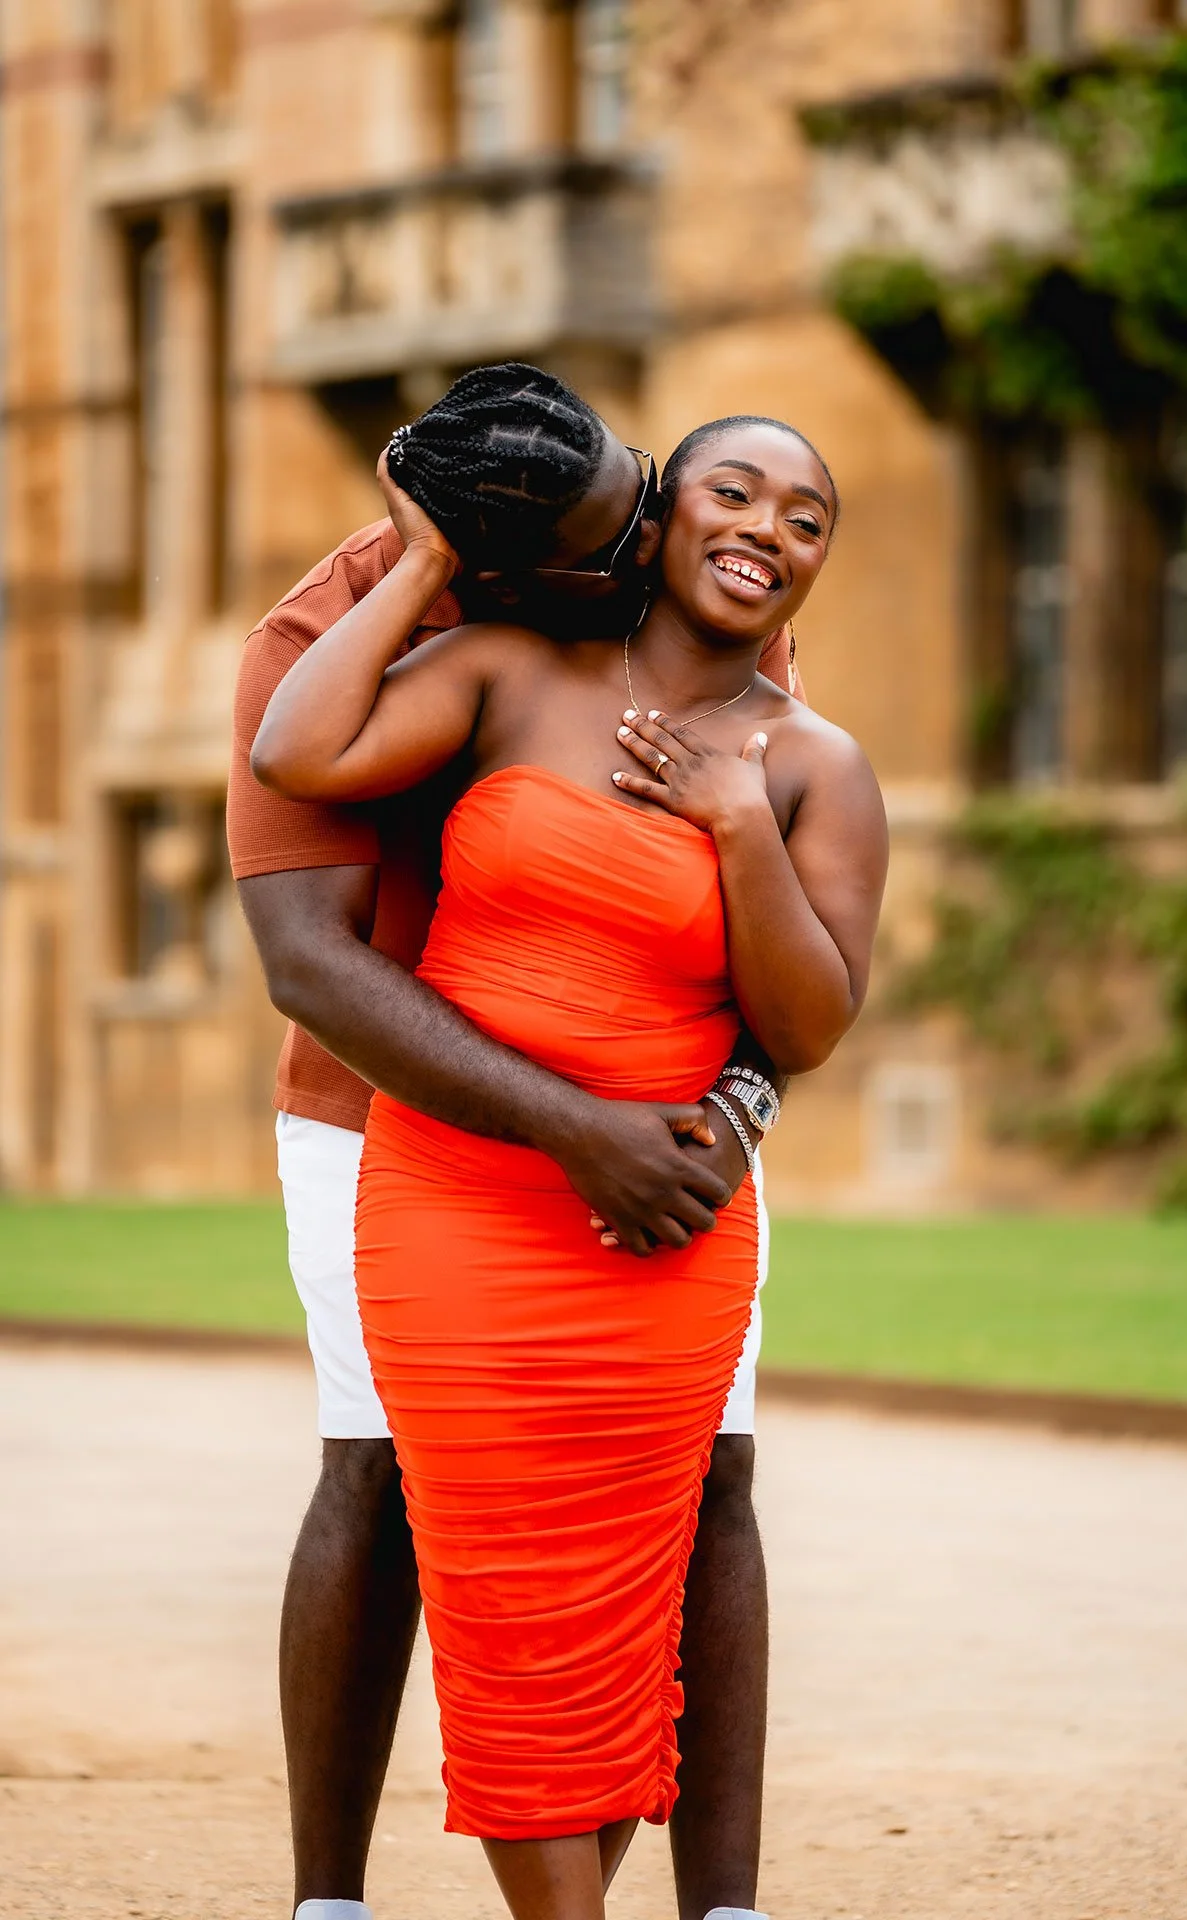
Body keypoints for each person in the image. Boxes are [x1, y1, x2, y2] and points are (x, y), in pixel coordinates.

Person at [251, 411, 889, 1920]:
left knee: (617, 1608)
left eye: (809, 519)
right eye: (733, 491)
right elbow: (300, 750)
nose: (768, 530)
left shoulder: (813, 762)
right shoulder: (501, 670)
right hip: (460, 1203)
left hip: (664, 1229)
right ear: (659, 517)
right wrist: (422, 562)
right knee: (497, 1590)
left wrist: (739, 835)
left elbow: (808, 1020)